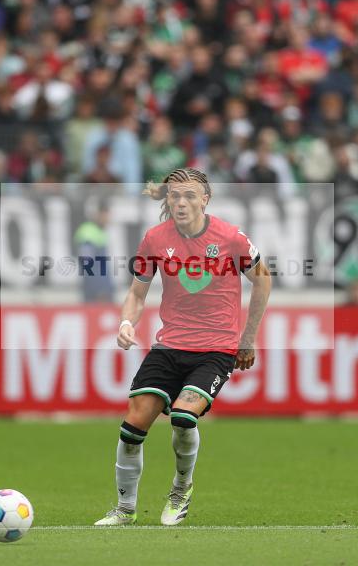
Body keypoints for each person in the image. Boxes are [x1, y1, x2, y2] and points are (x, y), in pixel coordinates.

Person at [94, 167, 272, 526]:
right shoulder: (155, 239)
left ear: (205, 199)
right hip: (170, 346)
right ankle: (125, 510)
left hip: (216, 348)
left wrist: (247, 338)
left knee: (183, 416)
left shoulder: (231, 238)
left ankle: (180, 490)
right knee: (133, 425)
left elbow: (263, 281)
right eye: (174, 195)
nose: (181, 202)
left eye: (190, 195)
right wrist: (127, 322)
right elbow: (137, 291)